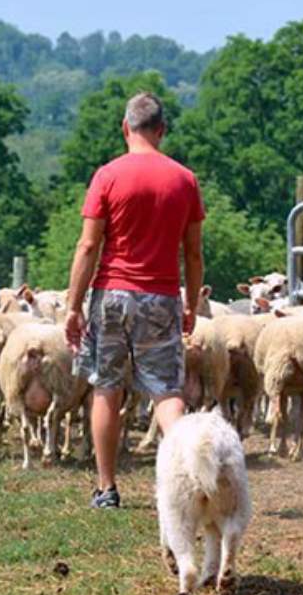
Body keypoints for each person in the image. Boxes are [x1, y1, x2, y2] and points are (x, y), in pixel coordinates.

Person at [64, 92, 205, 509]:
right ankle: (187, 481)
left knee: (106, 388)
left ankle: (106, 489)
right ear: (161, 131)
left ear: (125, 128)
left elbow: (88, 246)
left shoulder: (107, 176)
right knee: (166, 392)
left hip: (110, 295)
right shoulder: (184, 179)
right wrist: (191, 304)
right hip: (160, 296)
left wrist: (73, 306)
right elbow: (193, 253)